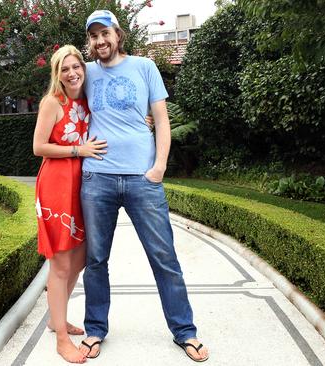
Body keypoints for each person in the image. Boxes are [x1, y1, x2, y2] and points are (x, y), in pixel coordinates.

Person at [78, 10, 210, 362]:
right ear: (89, 42)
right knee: (95, 259)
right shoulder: (84, 72)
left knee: (164, 256)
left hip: (142, 178)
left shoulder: (144, 67)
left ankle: (185, 331)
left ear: (118, 35)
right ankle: (94, 329)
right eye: (93, 36)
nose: (100, 41)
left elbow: (161, 120)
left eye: (104, 33)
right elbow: (60, 102)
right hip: (97, 178)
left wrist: (159, 167)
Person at [32, 44, 108, 364]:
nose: (72, 73)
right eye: (65, 68)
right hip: (56, 187)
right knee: (61, 265)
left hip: (82, 185)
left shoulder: (87, 101)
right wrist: (79, 151)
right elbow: (38, 147)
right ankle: (61, 339)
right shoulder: (53, 102)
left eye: (76, 66)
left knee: (78, 261)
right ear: (57, 74)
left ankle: (55, 319)